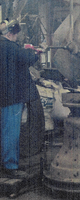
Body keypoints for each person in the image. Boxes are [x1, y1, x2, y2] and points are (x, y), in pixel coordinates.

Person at [0, 20, 40, 179]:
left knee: (5, 129)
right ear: (11, 33)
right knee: (11, 131)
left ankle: (7, 161)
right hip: (13, 97)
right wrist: (36, 53)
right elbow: (28, 58)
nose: (17, 37)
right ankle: (10, 166)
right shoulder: (10, 47)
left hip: (4, 95)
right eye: (16, 35)